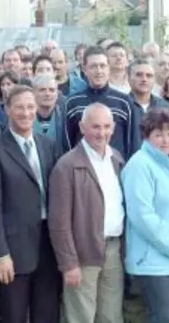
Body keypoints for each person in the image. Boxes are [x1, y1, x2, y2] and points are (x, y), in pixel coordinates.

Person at [0, 85, 62, 323]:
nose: (26, 113)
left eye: (30, 107)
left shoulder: (47, 144)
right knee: (13, 315)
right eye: (19, 107)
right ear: (6, 109)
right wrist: (0, 253)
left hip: (47, 244)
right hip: (13, 250)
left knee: (47, 314)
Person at [48, 103, 126, 323]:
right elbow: (58, 223)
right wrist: (69, 264)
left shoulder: (116, 158)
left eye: (106, 126)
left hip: (113, 249)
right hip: (82, 254)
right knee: (81, 316)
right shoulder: (67, 165)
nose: (101, 133)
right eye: (95, 127)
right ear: (82, 128)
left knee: (111, 316)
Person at [122, 108, 169, 323]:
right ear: (146, 136)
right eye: (158, 134)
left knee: (168, 316)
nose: (165, 140)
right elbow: (142, 215)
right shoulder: (140, 165)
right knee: (161, 318)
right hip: (152, 261)